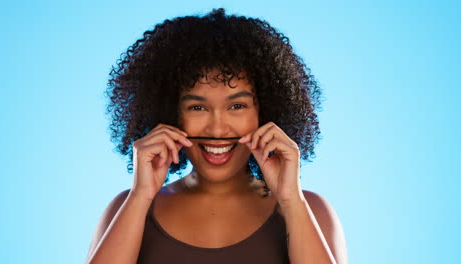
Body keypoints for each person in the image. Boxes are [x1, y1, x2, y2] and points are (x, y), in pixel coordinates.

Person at [85, 8, 348, 264]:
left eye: (237, 106)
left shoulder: (311, 210)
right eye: (197, 107)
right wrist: (140, 196)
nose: (217, 129)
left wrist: (291, 202)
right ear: (170, 114)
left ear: (265, 112)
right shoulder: (128, 207)